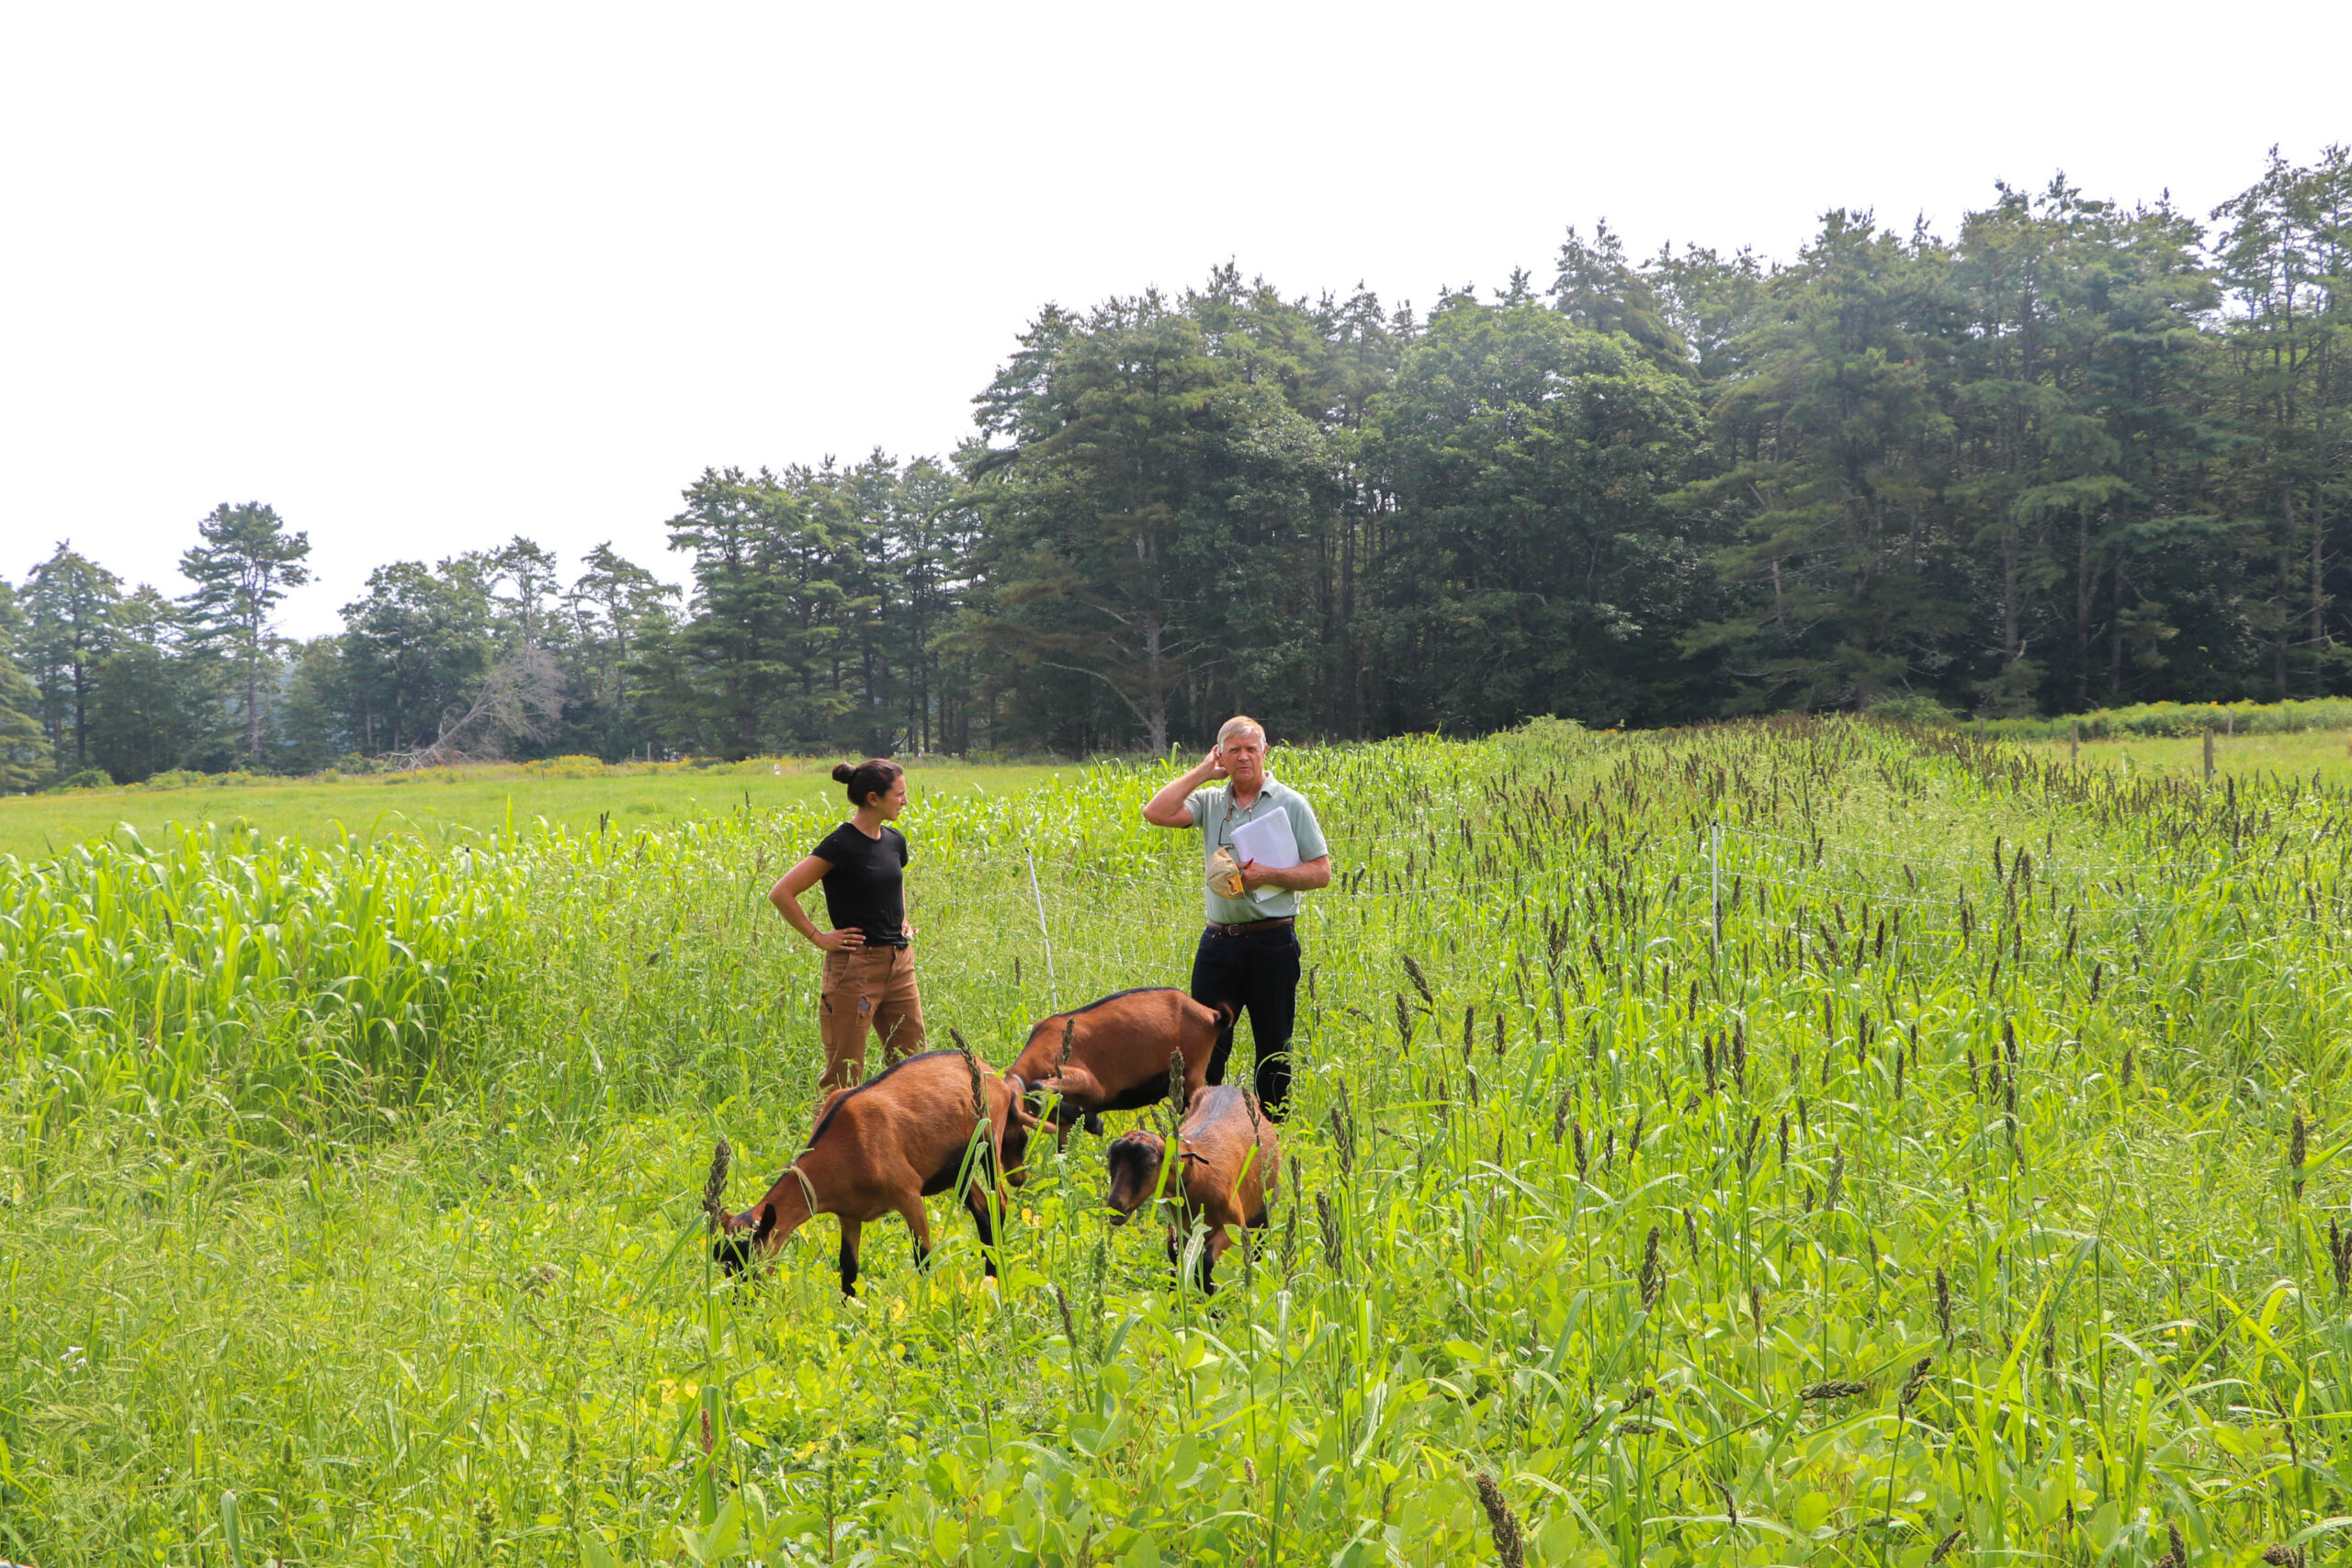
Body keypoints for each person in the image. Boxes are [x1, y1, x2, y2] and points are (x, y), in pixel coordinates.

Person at [1141, 716, 1331, 1119]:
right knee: (1204, 1043)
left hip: (1272, 942)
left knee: (1274, 1046)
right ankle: (1198, 1132)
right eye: (1233, 751)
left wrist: (1268, 875)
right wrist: (1203, 772)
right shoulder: (1211, 803)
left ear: (1265, 753)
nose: (1243, 757)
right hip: (1219, 944)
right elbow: (1155, 811)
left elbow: (1321, 872)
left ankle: (1273, 1133)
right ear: (1221, 756)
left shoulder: (1290, 803)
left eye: (1250, 749)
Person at [769, 759, 924, 1091]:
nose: (905, 801)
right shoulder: (842, 844)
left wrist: (903, 920)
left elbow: (894, 882)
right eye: (899, 794)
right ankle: (825, 1141)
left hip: (899, 964)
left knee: (912, 1066)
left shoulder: (894, 840)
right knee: (844, 1075)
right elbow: (782, 893)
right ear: (873, 798)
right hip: (855, 969)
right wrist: (819, 937)